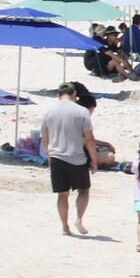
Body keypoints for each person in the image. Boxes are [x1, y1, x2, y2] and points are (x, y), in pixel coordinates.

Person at [41, 82, 97, 236]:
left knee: (62, 194)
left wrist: (48, 155)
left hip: (57, 156)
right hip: (77, 157)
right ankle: (79, 218)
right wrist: (93, 160)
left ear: (59, 95)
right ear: (74, 95)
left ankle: (65, 227)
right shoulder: (82, 112)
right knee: (84, 191)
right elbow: (90, 139)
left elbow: (44, 138)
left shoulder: (48, 111)